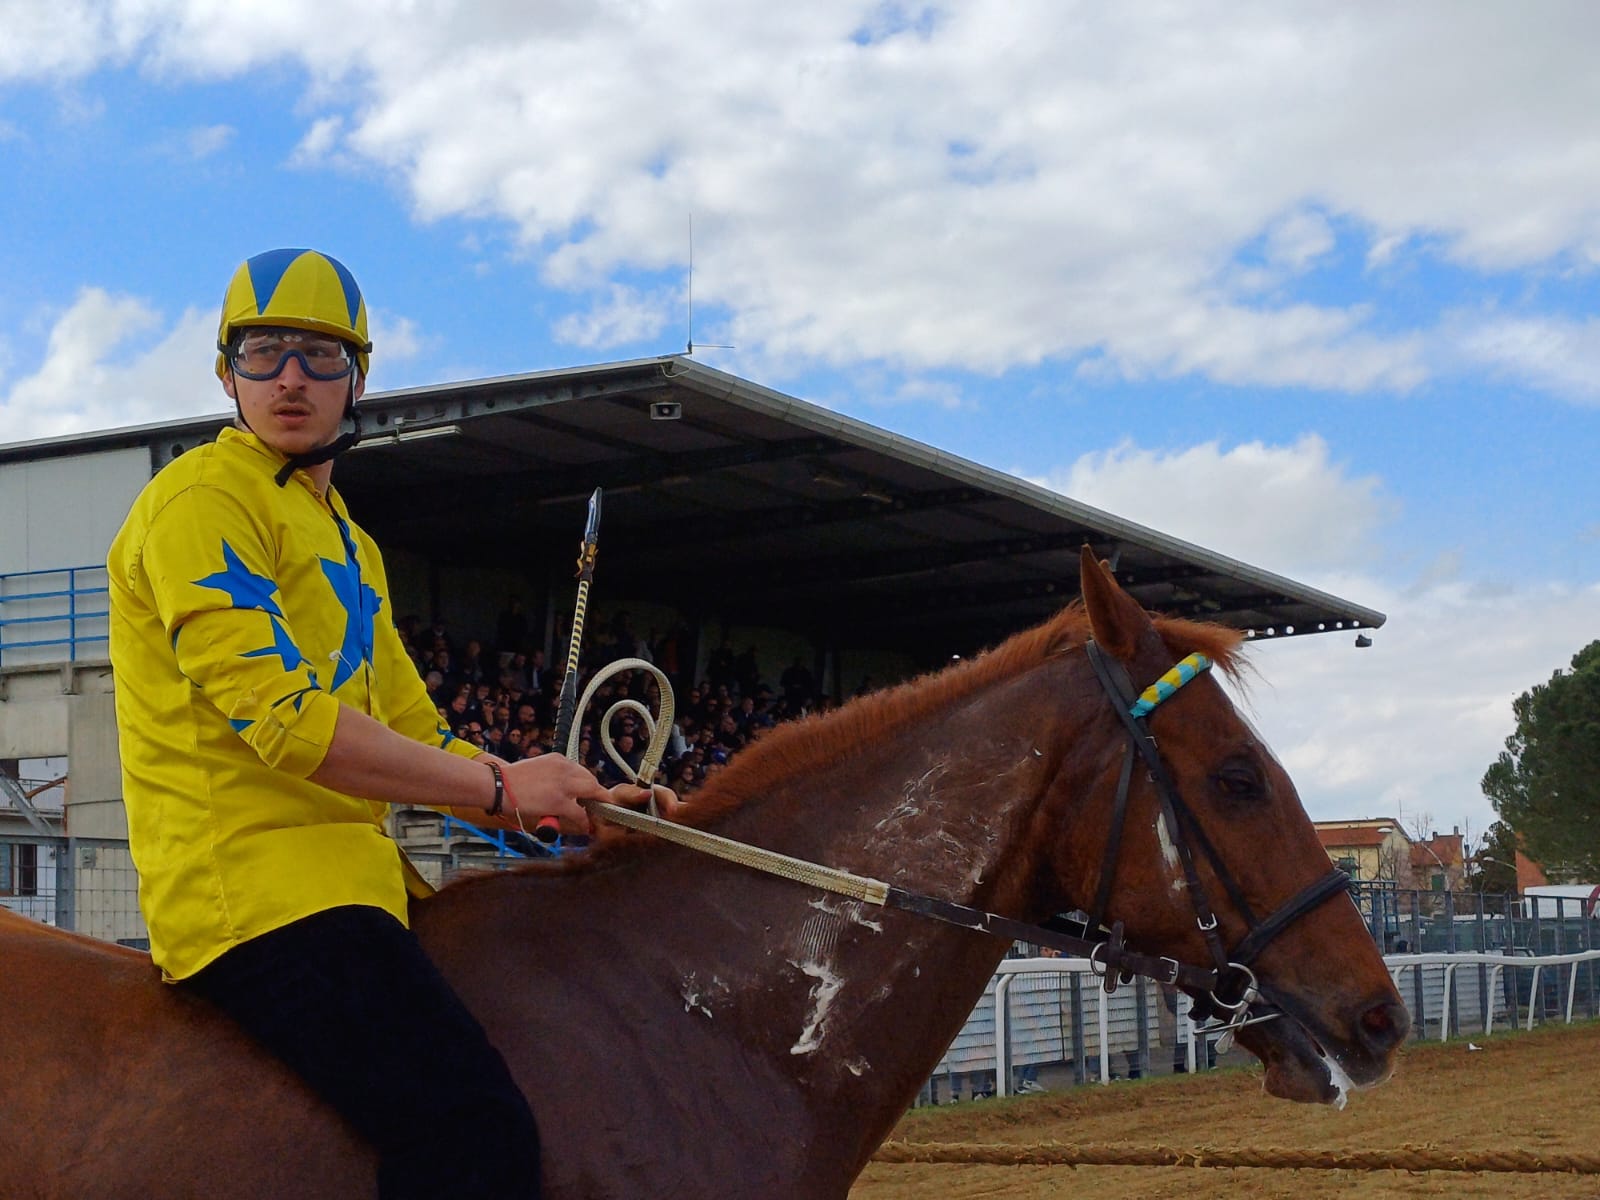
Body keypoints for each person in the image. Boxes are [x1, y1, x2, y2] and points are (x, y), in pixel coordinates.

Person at [107, 248, 671, 1199]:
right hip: (253, 898)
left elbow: (423, 734)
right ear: (226, 373)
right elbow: (287, 724)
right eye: (264, 352)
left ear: (358, 379)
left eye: (321, 355)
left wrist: (569, 803)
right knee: (475, 1130)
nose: (291, 377)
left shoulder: (352, 545)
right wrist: (503, 786)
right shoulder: (199, 501)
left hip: (360, 887)